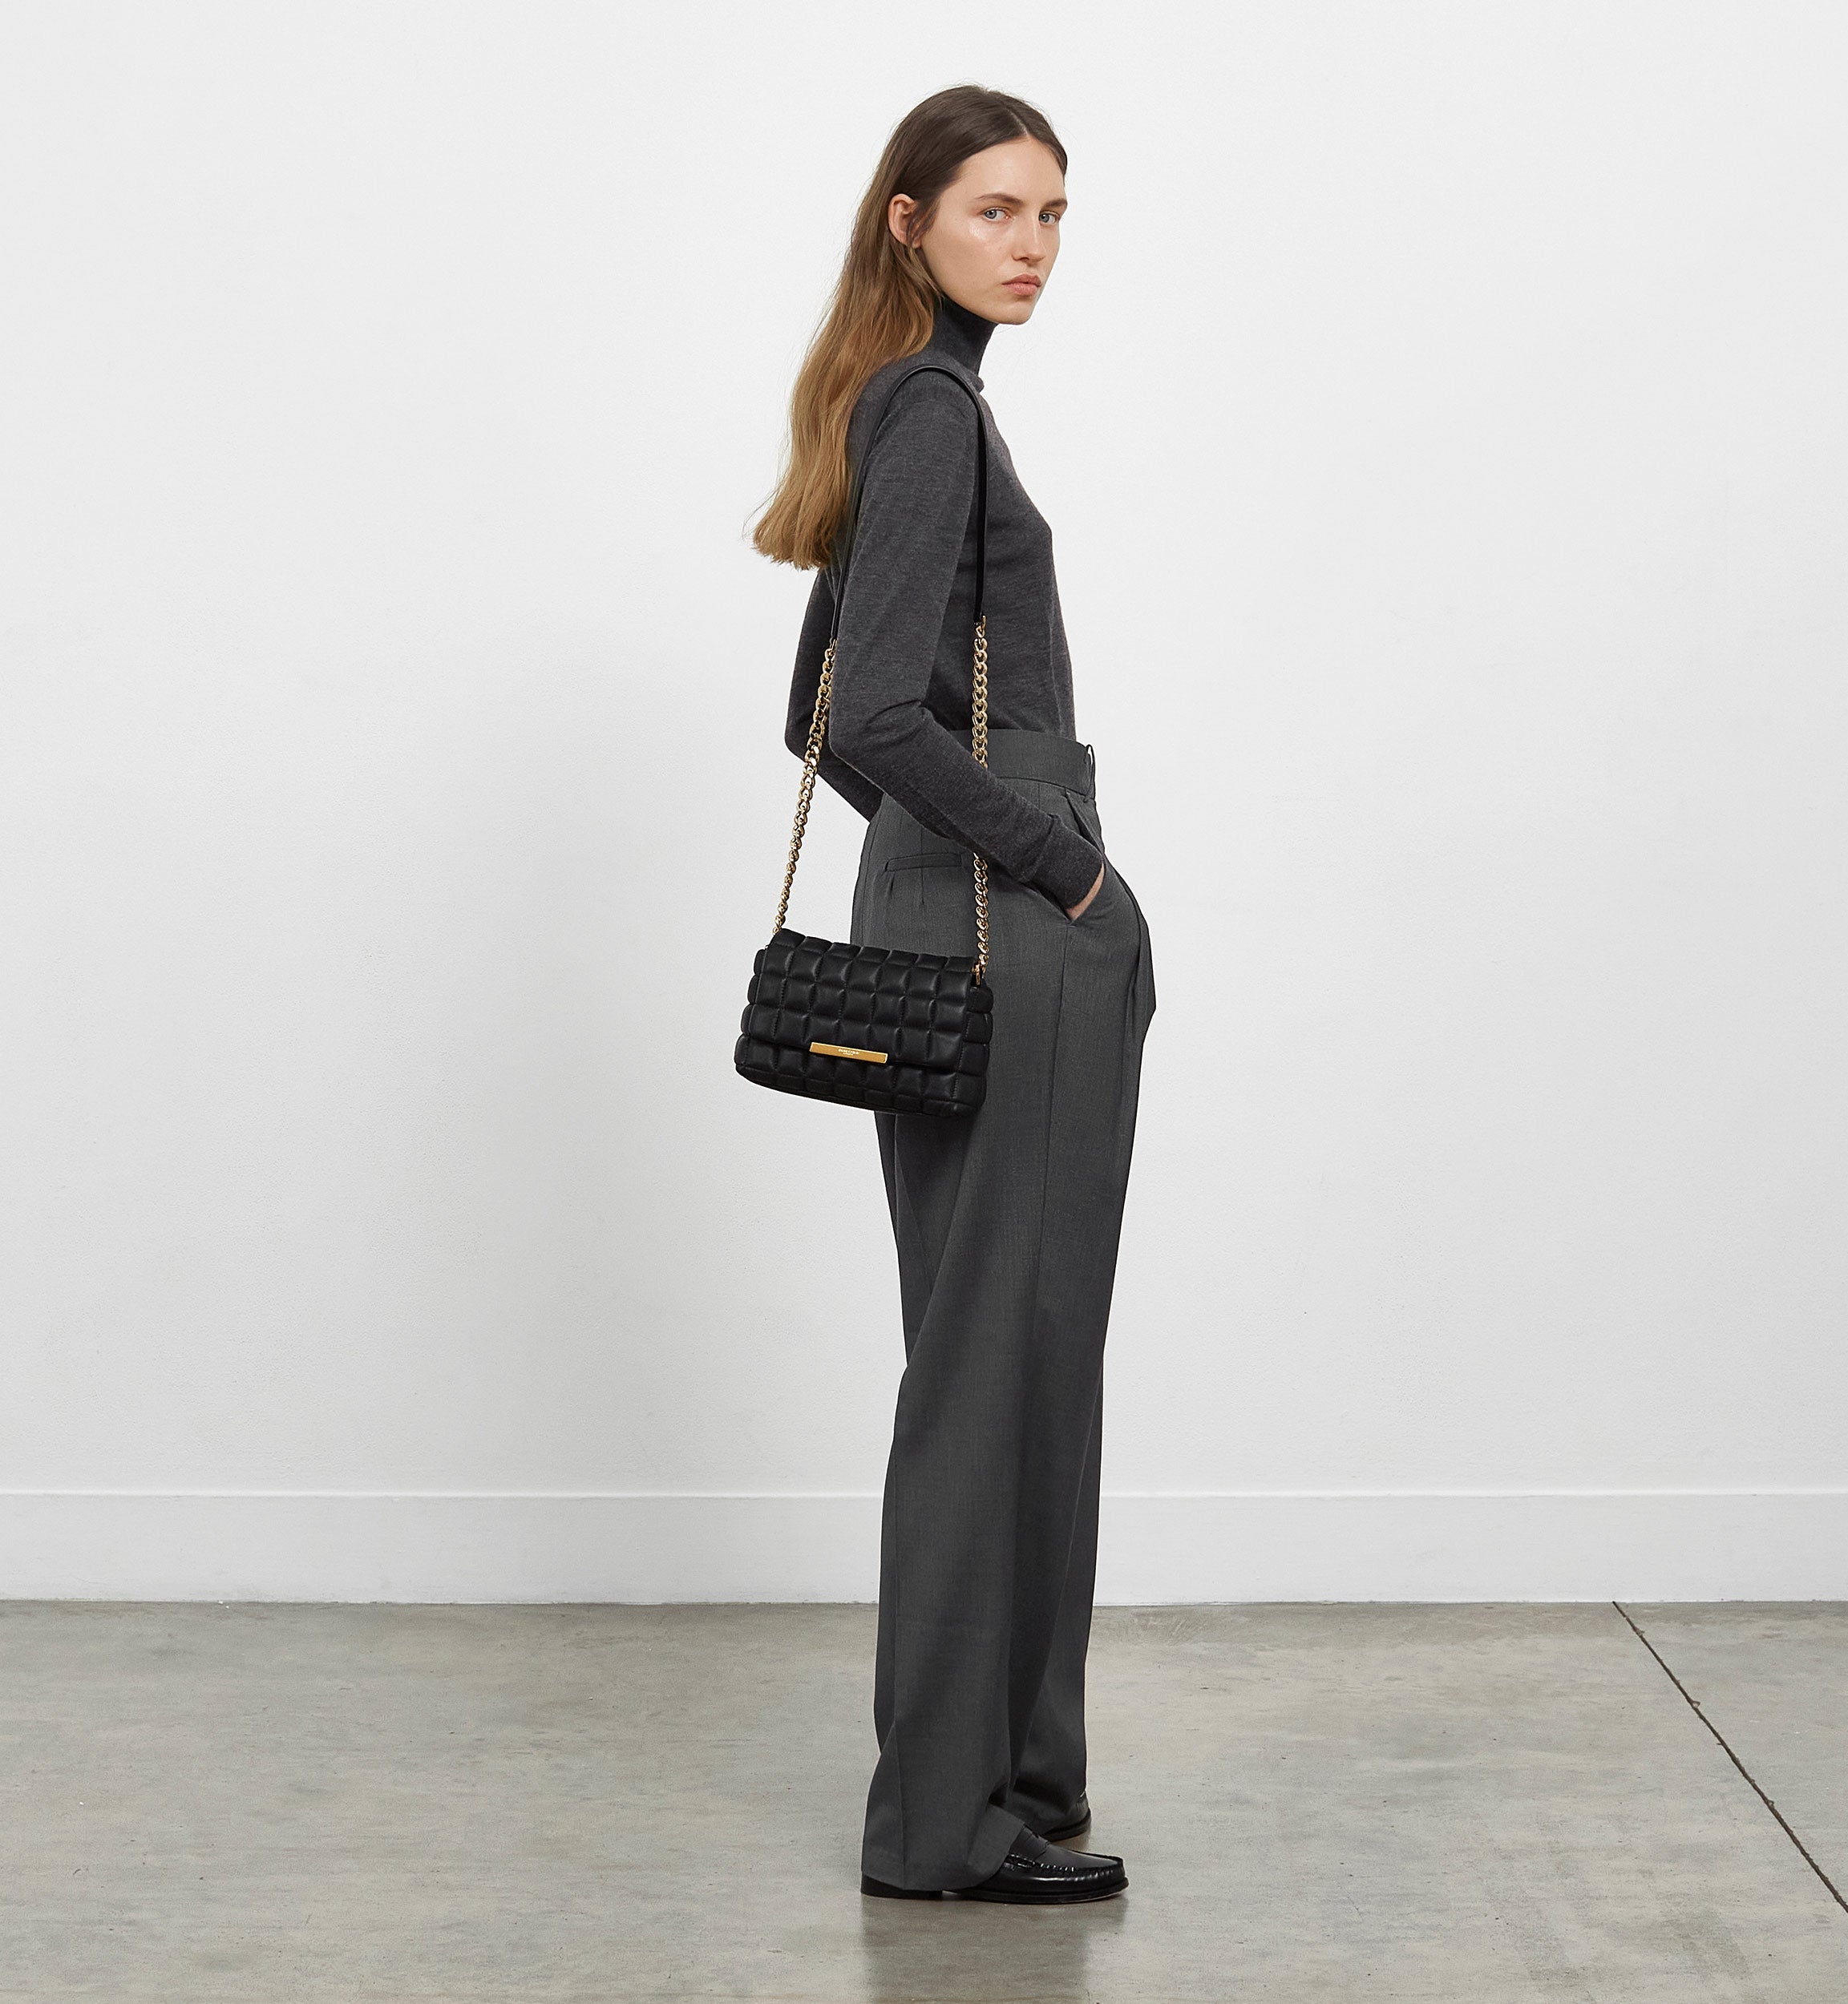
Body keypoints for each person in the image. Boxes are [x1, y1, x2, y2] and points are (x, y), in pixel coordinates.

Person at [751, 83, 1156, 1905]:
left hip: (950, 902)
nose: (1034, 245)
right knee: (1002, 1368)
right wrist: (1057, 866)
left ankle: (1012, 1778)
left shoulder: (907, 402)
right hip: (1015, 914)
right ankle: (946, 1818)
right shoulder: (927, 410)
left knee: (1007, 1357)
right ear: (909, 221)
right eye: (998, 209)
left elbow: (815, 714)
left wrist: (934, 860)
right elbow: (867, 715)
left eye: (1054, 214)